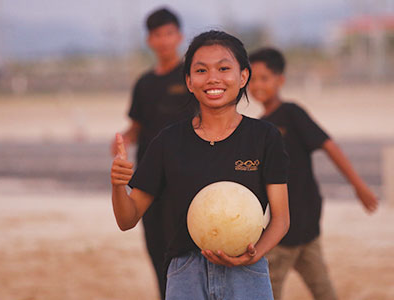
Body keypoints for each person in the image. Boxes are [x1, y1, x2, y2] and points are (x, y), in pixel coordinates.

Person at [111, 30, 290, 300]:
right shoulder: (168, 142)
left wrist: (254, 255)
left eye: (224, 68)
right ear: (189, 81)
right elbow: (127, 219)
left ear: (243, 77)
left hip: (248, 271)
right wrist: (117, 185)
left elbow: (281, 219)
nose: (213, 78)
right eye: (201, 70)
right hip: (185, 272)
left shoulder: (265, 137)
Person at [248, 47, 379, 300]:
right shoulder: (260, 126)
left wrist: (358, 185)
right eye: (252, 79)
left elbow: (329, 145)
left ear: (280, 80)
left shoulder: (292, 113)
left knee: (315, 287)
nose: (257, 85)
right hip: (281, 226)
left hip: (303, 224)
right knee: (272, 289)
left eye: (264, 78)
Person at [110, 8, 196, 298]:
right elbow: (137, 126)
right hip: (149, 179)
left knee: (186, 246)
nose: (163, 40)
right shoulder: (144, 83)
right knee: (157, 248)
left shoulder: (191, 77)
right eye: (157, 35)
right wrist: (123, 139)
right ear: (149, 40)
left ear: (180, 36)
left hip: (186, 177)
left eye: (169, 33)